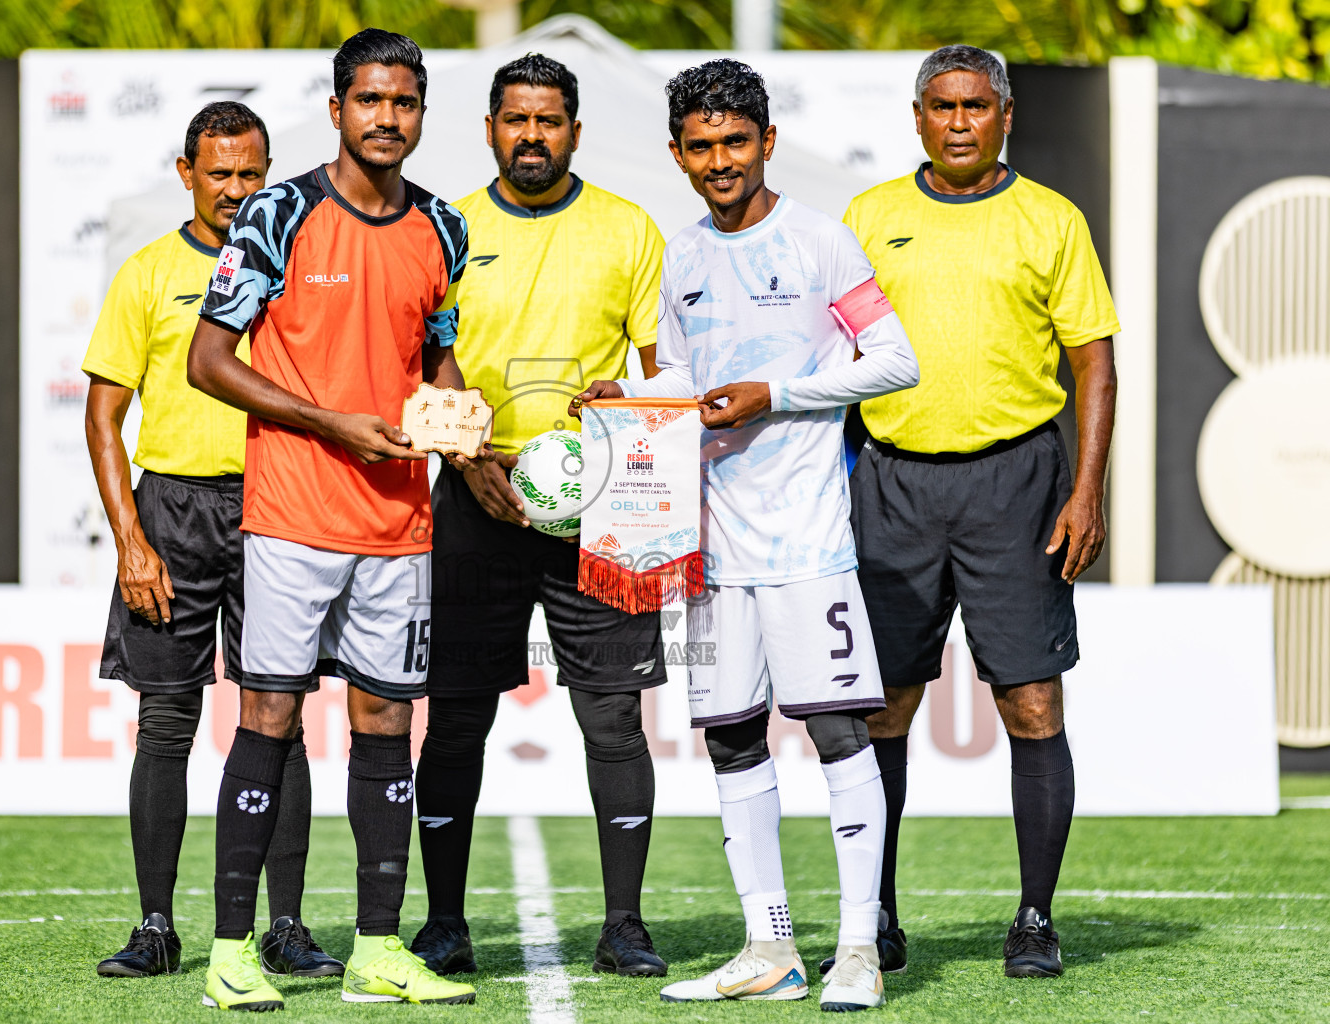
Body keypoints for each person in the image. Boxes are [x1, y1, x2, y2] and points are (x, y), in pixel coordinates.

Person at [574, 60, 919, 1011]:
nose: (719, 161)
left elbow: (896, 360)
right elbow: (683, 385)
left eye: (735, 142)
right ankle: (770, 948)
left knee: (839, 730)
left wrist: (784, 394)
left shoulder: (823, 244)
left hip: (807, 545)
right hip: (705, 558)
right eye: (701, 146)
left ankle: (857, 948)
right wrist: (628, 398)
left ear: (767, 142)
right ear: (678, 154)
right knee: (729, 739)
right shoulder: (678, 258)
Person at [187, 29, 490, 1011]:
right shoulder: (277, 213)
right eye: (369, 101)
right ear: (337, 110)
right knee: (270, 712)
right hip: (291, 514)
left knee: (385, 722)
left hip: (400, 522)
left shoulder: (442, 227)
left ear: (420, 113)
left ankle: (375, 947)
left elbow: (432, 358)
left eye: (404, 103)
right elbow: (209, 360)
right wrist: (328, 422)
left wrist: (460, 419)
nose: (387, 118)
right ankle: (233, 950)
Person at [840, 44, 1118, 980]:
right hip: (893, 483)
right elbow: (827, 364)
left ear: (1006, 114)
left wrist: (1087, 488)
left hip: (1018, 485)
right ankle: (873, 914)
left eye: (976, 105)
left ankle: (1035, 918)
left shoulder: (1050, 219)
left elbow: (1094, 364)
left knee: (1031, 703)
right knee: (883, 708)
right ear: (917, 117)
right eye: (942, 105)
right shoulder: (870, 217)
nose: (959, 121)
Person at [409, 53, 671, 980]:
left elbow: (657, 369)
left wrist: (625, 402)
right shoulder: (445, 226)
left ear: (574, 130)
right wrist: (467, 451)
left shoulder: (629, 229)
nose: (531, 136)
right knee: (455, 718)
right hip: (474, 496)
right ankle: (443, 923)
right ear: (488, 128)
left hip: (599, 507)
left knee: (614, 719)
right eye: (514, 120)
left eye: (548, 121)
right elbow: (421, 354)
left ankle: (625, 926)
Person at [82, 101, 341, 982]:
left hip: (279, 505)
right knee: (166, 721)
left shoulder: (299, 263)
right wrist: (131, 540)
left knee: (281, 721)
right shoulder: (148, 271)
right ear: (185, 172)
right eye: (219, 173)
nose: (236, 191)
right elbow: (104, 416)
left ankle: (288, 927)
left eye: (250, 174)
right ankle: (156, 925)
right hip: (172, 514)